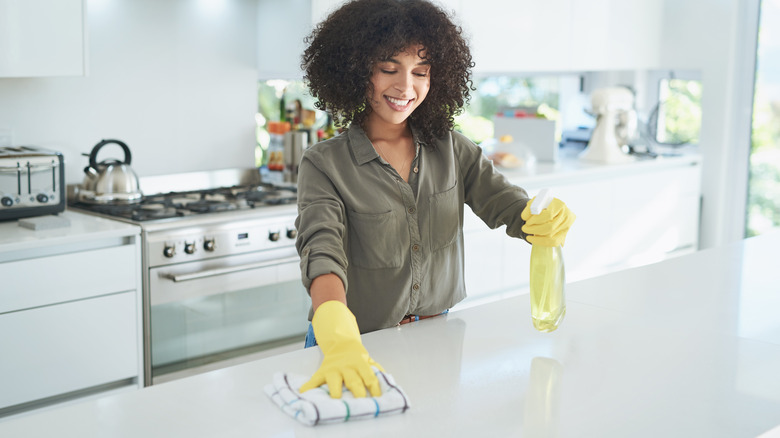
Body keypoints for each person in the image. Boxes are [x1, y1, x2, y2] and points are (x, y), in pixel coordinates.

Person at [294, 0, 575, 399]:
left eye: (420, 72)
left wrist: (541, 216)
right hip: (353, 346)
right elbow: (321, 251)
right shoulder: (325, 163)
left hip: (436, 337)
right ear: (356, 70)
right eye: (388, 69)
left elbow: (509, 207)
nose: (405, 87)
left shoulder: (453, 150)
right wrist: (336, 331)